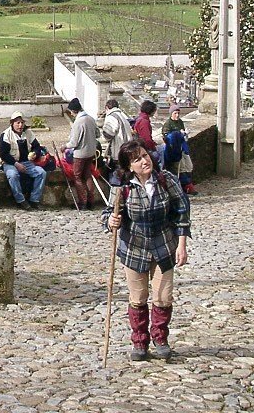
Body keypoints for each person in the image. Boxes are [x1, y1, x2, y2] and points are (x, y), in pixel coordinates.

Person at [103, 140, 191, 362]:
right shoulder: (122, 188)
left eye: (144, 155)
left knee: (163, 297)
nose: (144, 161)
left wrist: (182, 245)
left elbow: (182, 212)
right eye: (137, 159)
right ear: (129, 166)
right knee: (138, 297)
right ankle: (140, 342)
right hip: (134, 249)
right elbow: (108, 213)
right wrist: (111, 221)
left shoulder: (166, 180)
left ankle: (160, 339)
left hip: (164, 246)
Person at [0, 112, 47, 211]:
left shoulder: (28, 133)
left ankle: (34, 200)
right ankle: (20, 200)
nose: (20, 125)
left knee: (41, 173)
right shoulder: (6, 135)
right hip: (10, 162)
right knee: (13, 175)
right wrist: (16, 164)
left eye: (22, 123)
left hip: (26, 162)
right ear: (12, 123)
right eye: (17, 123)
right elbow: (4, 154)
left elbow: (37, 146)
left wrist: (35, 153)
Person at [64, 98, 99, 209]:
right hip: (91, 151)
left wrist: (65, 146)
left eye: (71, 111)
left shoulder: (78, 122)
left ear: (74, 111)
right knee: (87, 175)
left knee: (77, 177)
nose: (71, 114)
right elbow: (98, 134)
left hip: (80, 154)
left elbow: (74, 142)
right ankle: (91, 201)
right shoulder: (91, 119)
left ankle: (82, 202)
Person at [101, 98, 134, 179]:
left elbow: (108, 134)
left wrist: (103, 134)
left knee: (117, 175)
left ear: (107, 107)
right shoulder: (122, 116)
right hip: (127, 147)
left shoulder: (112, 117)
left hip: (118, 150)